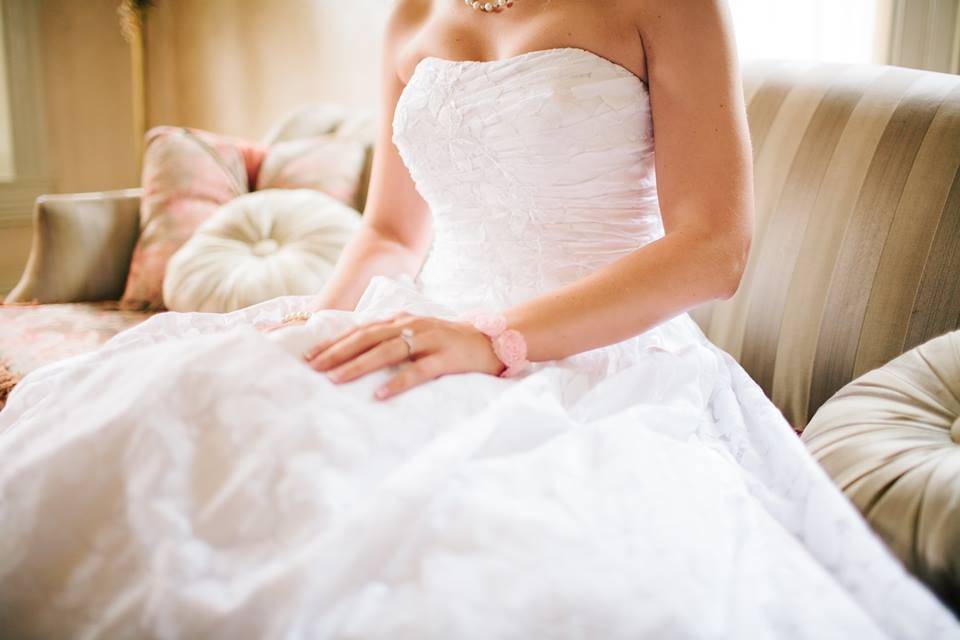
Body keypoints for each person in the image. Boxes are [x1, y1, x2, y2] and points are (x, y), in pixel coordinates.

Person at [0, 0, 956, 637]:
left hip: (600, 355)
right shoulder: (413, 14)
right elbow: (386, 230)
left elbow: (715, 248)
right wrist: (310, 332)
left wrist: (499, 341)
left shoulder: (667, 5)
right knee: (196, 426)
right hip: (419, 320)